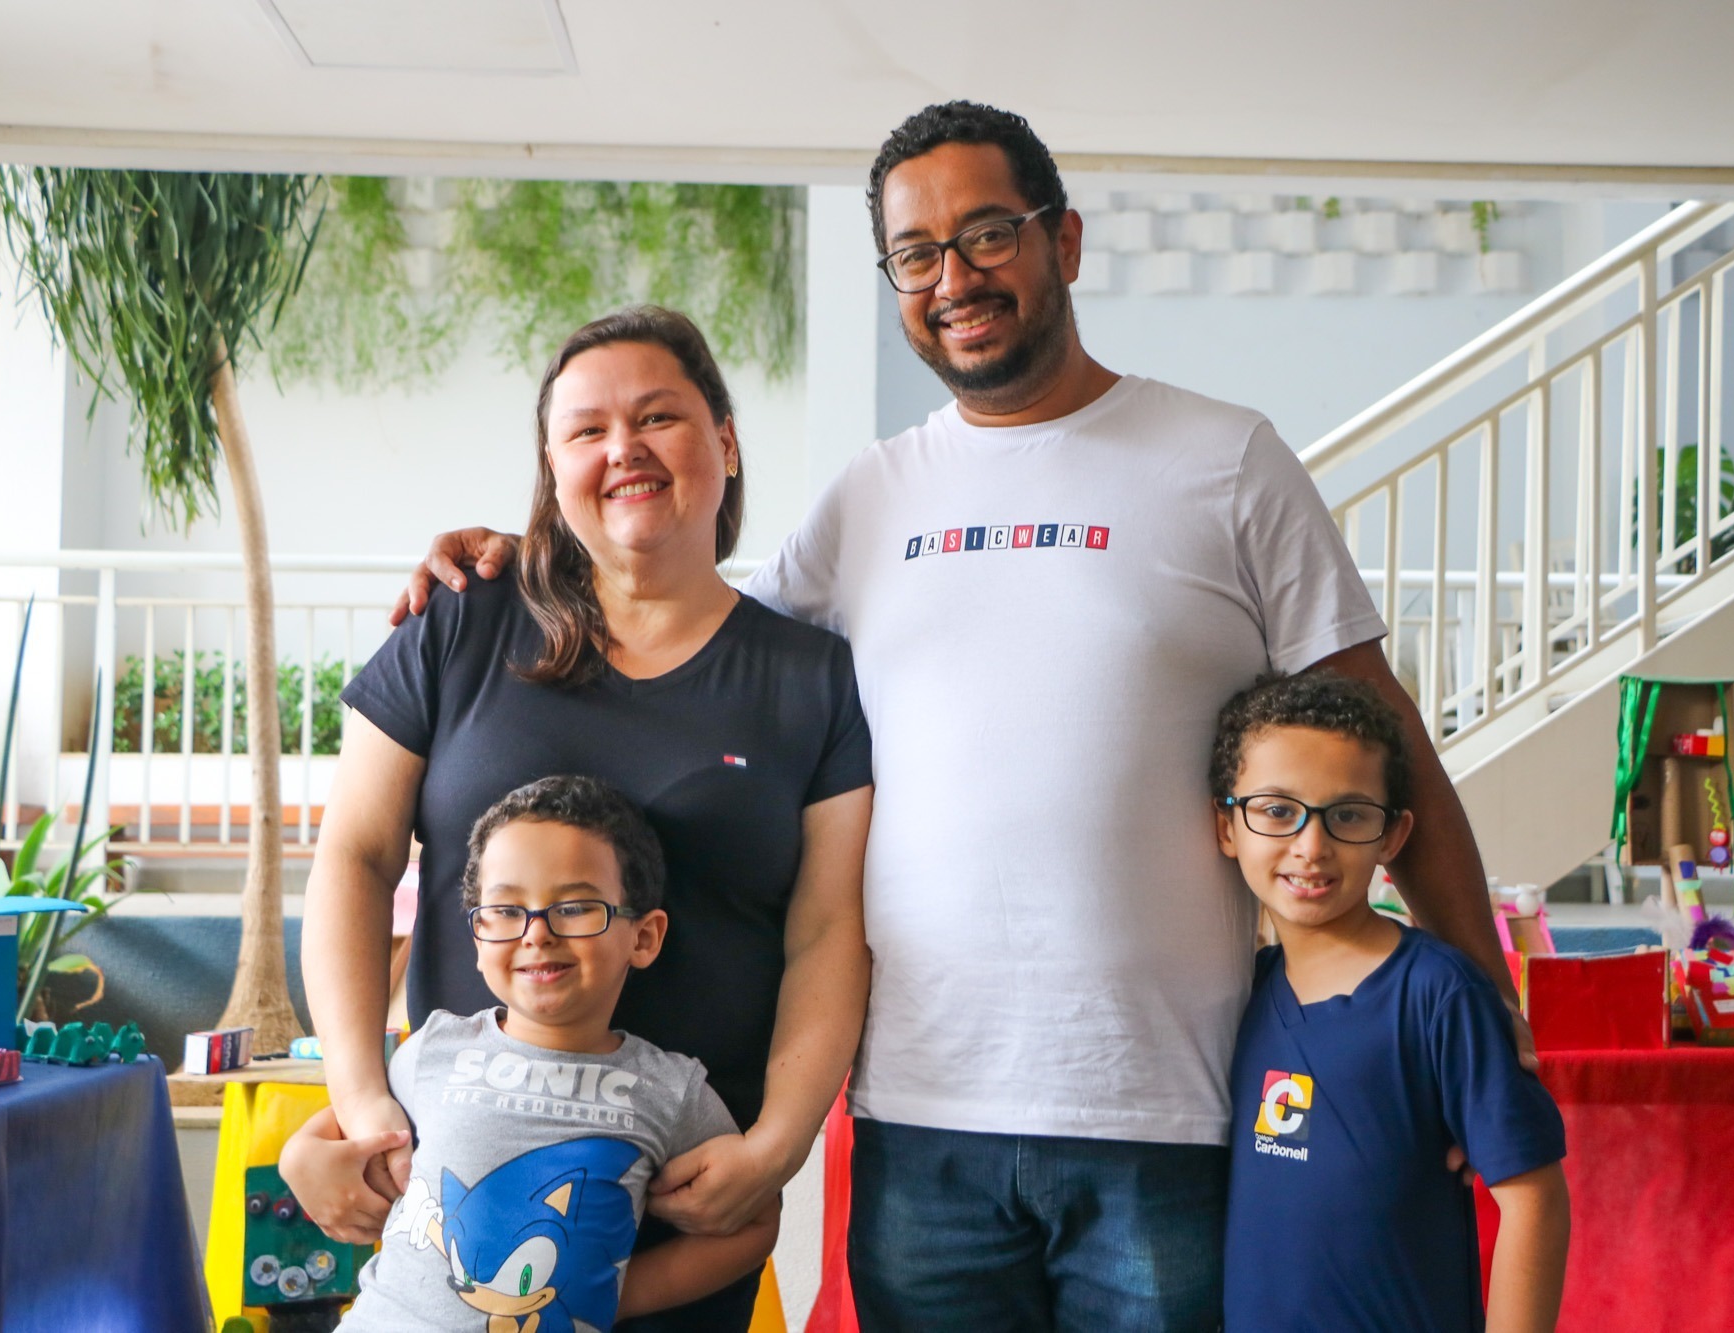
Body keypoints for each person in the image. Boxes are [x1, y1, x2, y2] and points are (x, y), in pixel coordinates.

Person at [396, 103, 1529, 1329]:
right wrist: (536, 552)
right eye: (914, 254)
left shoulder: (1226, 460)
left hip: (1164, 1111)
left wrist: (1481, 1001)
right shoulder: (869, 494)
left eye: (987, 234)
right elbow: (677, 624)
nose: (953, 278)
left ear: (1064, 240)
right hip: (920, 1123)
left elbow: (1380, 739)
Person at [288, 306, 873, 1332]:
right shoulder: (461, 621)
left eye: (658, 417)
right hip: (467, 1210)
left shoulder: (811, 678)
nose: (623, 449)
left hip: (686, 1211)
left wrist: (774, 1147)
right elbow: (355, 855)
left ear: (726, 442)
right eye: (587, 429)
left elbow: (827, 929)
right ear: (553, 469)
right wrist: (361, 1098)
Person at [299, 775, 781, 1331]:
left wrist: (603, 1295)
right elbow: (342, 1129)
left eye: (574, 906)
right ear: (478, 939)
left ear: (644, 937)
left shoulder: (671, 1091)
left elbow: (756, 1222)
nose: (536, 932)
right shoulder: (434, 1048)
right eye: (506, 910)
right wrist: (300, 1152)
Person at [1211, 671, 1568, 1332]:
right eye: (1278, 810)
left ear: (1393, 836)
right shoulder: (1240, 993)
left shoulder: (1439, 993)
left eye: (1348, 814)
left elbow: (1535, 1200)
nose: (1311, 846)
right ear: (1227, 825)